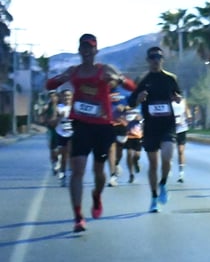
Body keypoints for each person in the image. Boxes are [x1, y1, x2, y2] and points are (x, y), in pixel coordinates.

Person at [45, 33, 135, 232]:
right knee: (77, 170)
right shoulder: (74, 72)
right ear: (79, 51)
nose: (86, 51)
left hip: (103, 127)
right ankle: (78, 216)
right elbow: (49, 85)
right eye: (83, 48)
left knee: (98, 172)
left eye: (90, 48)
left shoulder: (105, 70)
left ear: (96, 51)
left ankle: (96, 195)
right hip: (81, 125)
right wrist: (61, 79)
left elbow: (131, 86)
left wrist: (118, 79)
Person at [128, 47, 182, 213]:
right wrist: (138, 99)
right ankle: (153, 198)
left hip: (167, 125)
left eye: (158, 57)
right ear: (148, 60)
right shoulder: (142, 79)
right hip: (151, 127)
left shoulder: (170, 78)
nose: (155, 60)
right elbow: (131, 103)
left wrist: (177, 98)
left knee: (167, 157)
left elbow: (178, 96)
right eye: (152, 57)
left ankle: (163, 183)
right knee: (153, 164)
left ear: (162, 59)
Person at [51, 90, 74, 185]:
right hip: (61, 134)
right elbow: (52, 123)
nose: (67, 98)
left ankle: (72, 174)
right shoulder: (58, 108)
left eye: (68, 95)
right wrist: (59, 117)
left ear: (72, 97)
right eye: (64, 96)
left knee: (72, 155)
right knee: (64, 156)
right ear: (61, 97)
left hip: (72, 134)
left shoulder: (74, 107)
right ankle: (63, 173)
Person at [172, 96, 192, 182]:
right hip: (171, 129)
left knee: (180, 151)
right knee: (169, 150)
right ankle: (168, 167)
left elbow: (187, 110)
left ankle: (181, 173)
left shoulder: (183, 100)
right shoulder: (168, 100)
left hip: (182, 128)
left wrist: (189, 117)